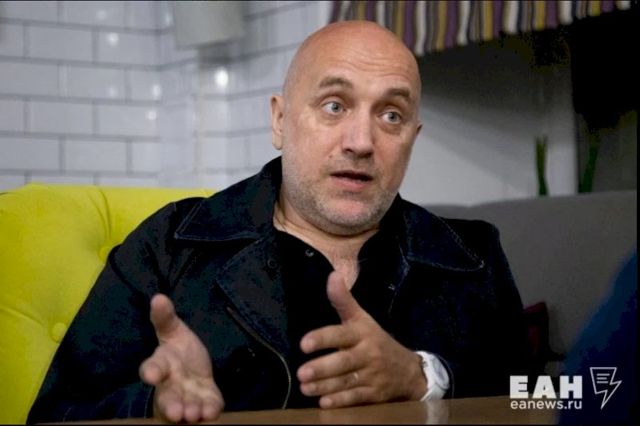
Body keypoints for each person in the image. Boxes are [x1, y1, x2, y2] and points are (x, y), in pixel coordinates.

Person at [28, 21, 528, 423]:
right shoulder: (171, 245)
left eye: (391, 115)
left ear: (412, 140)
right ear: (280, 121)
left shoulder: (472, 254)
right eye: (334, 105)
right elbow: (54, 414)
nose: (361, 141)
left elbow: (548, 396)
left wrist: (426, 378)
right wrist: (154, 407)